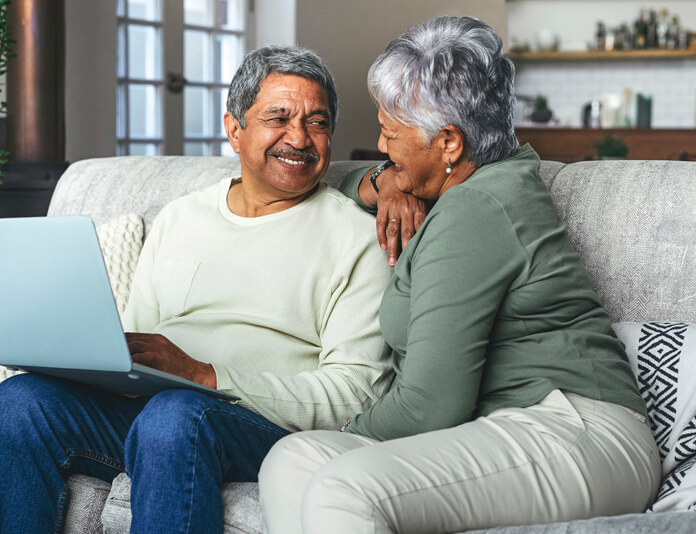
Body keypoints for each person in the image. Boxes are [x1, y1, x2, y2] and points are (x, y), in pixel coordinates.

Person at [259, 17, 661, 533]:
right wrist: (385, 183)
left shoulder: (478, 209)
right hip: (515, 427)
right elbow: (337, 185)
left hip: (579, 433)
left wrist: (350, 427)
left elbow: (430, 406)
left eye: (389, 133)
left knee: (342, 485)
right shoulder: (474, 183)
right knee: (294, 458)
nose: (381, 145)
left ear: (448, 143)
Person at [0, 46, 394, 534]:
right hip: (157, 415)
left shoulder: (358, 238)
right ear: (235, 129)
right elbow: (140, 343)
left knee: (175, 415)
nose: (298, 138)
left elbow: (354, 395)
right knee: (22, 399)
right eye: (279, 118)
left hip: (262, 428)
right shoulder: (181, 217)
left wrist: (205, 376)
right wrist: (84, 359)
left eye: (317, 123)